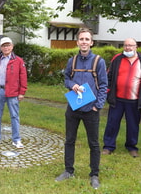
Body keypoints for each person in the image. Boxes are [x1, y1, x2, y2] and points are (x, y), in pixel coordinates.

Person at [55, 28, 107, 189]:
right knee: (69, 140)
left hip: (91, 109)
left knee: (94, 144)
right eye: (81, 39)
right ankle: (68, 171)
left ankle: (94, 175)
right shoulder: (73, 61)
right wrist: (73, 85)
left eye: (87, 39)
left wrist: (97, 106)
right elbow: (66, 79)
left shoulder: (99, 61)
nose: (84, 42)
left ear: (91, 42)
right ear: (77, 42)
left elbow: (104, 85)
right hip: (73, 108)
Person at [102, 38, 141, 157]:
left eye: (130, 45)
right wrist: (108, 91)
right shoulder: (117, 59)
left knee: (133, 124)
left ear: (136, 47)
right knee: (112, 123)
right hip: (117, 98)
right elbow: (108, 75)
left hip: (134, 100)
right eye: (125, 45)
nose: (128, 48)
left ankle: (131, 147)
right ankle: (108, 146)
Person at [0, 37, 27, 149]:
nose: (6, 47)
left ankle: (16, 140)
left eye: (8, 45)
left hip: (13, 92)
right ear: (1, 47)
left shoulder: (18, 60)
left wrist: (22, 92)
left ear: (12, 46)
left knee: (14, 116)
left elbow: (23, 77)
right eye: (4, 46)